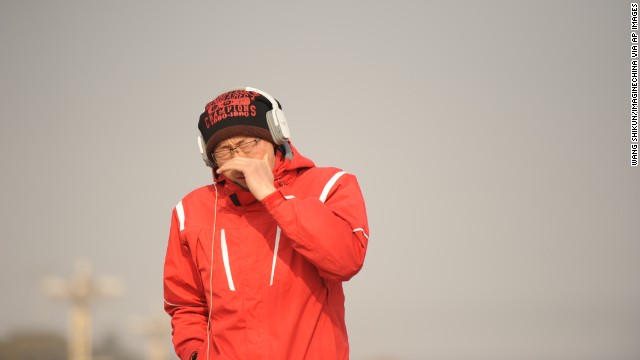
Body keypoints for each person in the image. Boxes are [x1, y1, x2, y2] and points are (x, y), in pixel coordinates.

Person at [163, 87, 369, 360]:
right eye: (225, 150)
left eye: (248, 144)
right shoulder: (190, 211)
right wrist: (196, 354)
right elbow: (185, 304)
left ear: (275, 136)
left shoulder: (330, 186)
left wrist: (272, 196)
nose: (240, 158)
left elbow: (345, 260)